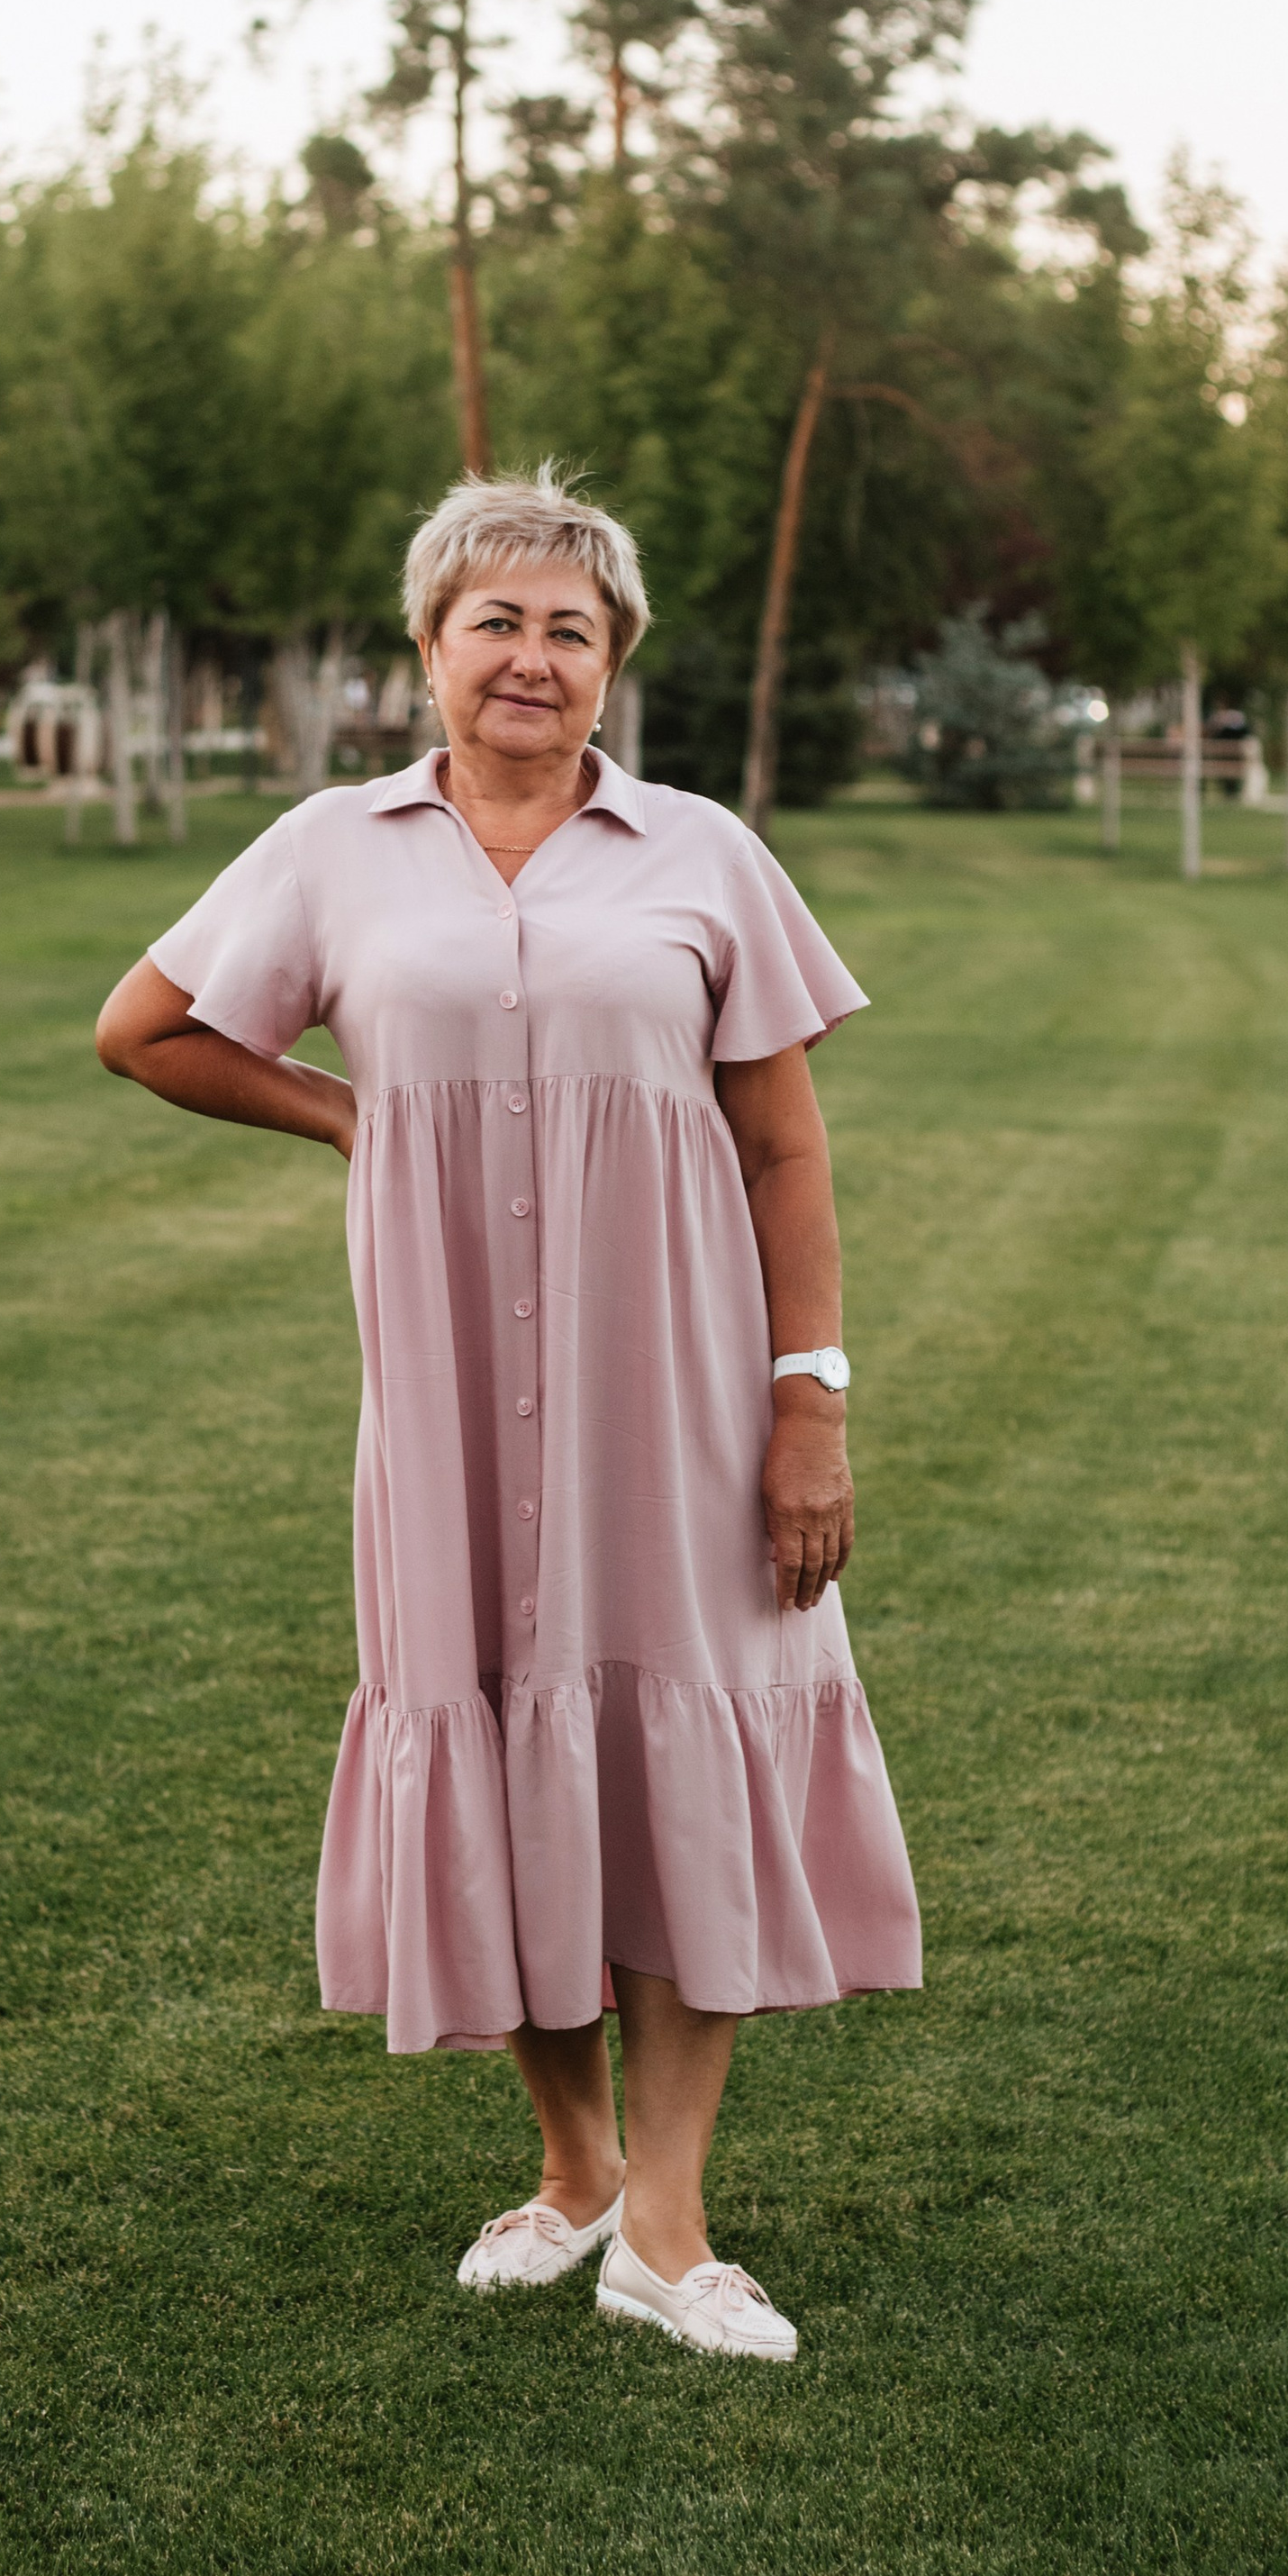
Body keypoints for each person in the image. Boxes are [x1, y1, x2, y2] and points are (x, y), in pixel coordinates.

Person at [95, 467, 920, 2361]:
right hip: (450, 1402)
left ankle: (666, 2220)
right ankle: (567, 2171)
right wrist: (339, 1110)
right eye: (495, 622)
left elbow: (781, 1144)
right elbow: (140, 1029)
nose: (529, 657)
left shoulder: (704, 854)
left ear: (612, 662)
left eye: (568, 627)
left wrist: (812, 1403)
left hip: (685, 1397)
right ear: (429, 648)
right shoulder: (329, 850)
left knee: (680, 1746)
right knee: (485, 1724)